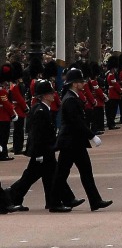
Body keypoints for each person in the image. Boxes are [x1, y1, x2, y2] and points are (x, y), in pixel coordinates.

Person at [3, 80, 72, 212]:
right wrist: (39, 153)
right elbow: (38, 135)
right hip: (42, 151)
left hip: (44, 150)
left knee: (38, 176)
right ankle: (11, 194)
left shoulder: (42, 108)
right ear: (45, 96)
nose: (53, 95)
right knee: (34, 176)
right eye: (51, 93)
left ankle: (52, 201)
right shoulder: (40, 110)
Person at [51, 67, 112, 212]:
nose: (83, 83)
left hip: (75, 142)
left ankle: (95, 200)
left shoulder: (72, 97)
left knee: (85, 172)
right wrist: (92, 135)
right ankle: (54, 202)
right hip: (70, 142)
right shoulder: (70, 99)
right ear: (74, 83)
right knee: (62, 174)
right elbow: (76, 122)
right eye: (80, 81)